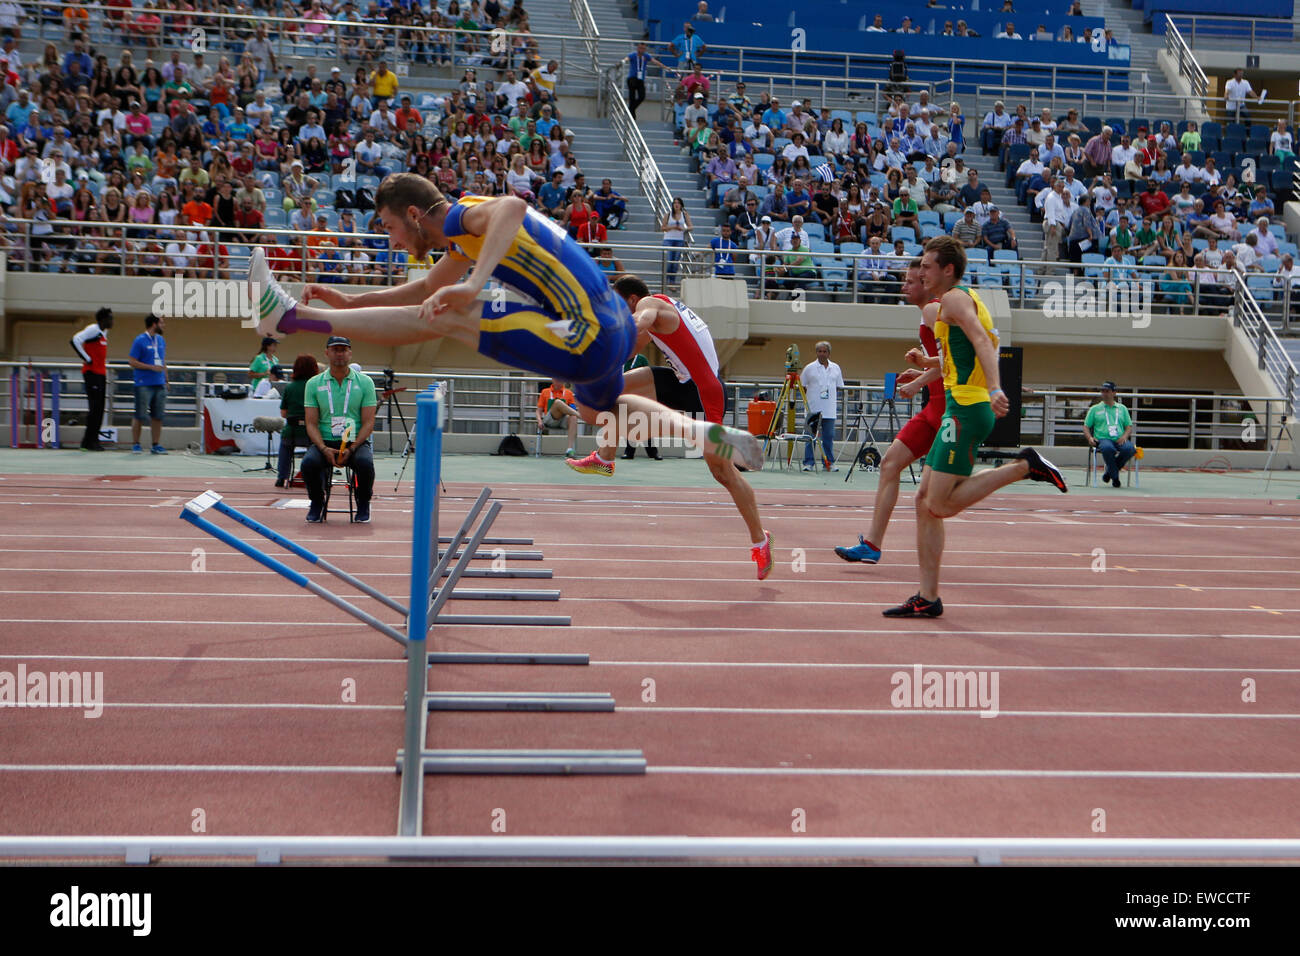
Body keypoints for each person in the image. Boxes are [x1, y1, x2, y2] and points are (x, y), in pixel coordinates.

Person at [250, 173, 763, 476]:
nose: (391, 240)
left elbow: (515, 205)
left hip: (583, 331)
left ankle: (291, 317)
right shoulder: (460, 236)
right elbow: (422, 291)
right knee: (603, 405)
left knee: (448, 316)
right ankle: (711, 436)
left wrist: (473, 287)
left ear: (412, 212)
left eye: (388, 227)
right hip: (612, 333)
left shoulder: (460, 217)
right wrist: (351, 299)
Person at [882, 236, 1067, 618]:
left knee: (938, 503)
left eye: (928, 267)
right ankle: (928, 597)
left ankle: (1022, 466)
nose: (921, 272)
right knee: (923, 503)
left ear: (947, 270)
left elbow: (983, 341)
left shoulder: (952, 299)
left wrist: (997, 386)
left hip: (966, 410)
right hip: (958, 404)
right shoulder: (956, 301)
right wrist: (928, 367)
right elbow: (962, 355)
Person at [566, 275, 774, 579]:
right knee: (613, 390)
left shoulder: (651, 306)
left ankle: (760, 539)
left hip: (704, 392)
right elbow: (633, 344)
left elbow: (641, 320)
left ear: (633, 300)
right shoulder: (658, 317)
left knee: (722, 472)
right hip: (680, 381)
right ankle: (605, 458)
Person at [836, 259, 944, 564]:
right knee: (889, 464)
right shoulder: (929, 313)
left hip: (951, 408)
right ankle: (872, 544)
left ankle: (1020, 467)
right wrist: (921, 372)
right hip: (934, 406)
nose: (904, 287)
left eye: (910, 282)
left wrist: (919, 378)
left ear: (925, 282)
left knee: (934, 496)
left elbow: (954, 362)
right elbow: (941, 361)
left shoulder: (933, 310)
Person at [301, 336, 376, 523]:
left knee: (365, 464)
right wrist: (324, 448)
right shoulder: (313, 383)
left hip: (354, 442)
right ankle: (317, 501)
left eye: (343, 349)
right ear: (327, 353)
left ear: (350, 353)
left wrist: (352, 448)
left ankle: (364, 502)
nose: (339, 353)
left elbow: (368, 421)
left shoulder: (365, 382)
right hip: (325, 441)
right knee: (308, 464)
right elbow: (310, 423)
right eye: (335, 349)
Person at [70, 306, 113, 452]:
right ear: (103, 319)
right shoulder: (93, 329)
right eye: (110, 318)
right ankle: (87, 442)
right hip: (92, 373)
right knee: (94, 408)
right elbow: (75, 340)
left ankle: (93, 440)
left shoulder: (104, 332)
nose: (112, 321)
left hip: (100, 373)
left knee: (100, 408)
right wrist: (87, 358)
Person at [127, 313, 168, 454]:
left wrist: (166, 380)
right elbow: (132, 361)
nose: (164, 325)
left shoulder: (161, 340)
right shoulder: (140, 340)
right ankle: (136, 444)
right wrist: (151, 367)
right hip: (144, 383)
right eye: (161, 323)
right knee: (140, 415)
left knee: (158, 416)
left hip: (159, 383)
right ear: (154, 324)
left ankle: (156, 444)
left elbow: (163, 361)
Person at [276, 353, 319, 488]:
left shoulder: (290, 387)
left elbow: (284, 413)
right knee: (321, 448)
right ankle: (319, 477)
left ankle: (282, 476)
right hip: (312, 434)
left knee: (285, 446)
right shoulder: (317, 386)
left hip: (292, 433)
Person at [800, 341, 843, 472]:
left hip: (829, 409)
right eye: (819, 351)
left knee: (828, 437)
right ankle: (808, 463)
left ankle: (828, 463)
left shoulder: (835, 367)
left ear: (829, 353)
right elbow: (802, 386)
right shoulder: (809, 368)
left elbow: (839, 386)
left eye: (824, 351)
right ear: (816, 352)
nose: (822, 354)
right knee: (810, 437)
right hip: (813, 409)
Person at [1083, 381, 1134, 488]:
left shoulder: (1122, 408)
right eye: (1103, 391)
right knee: (1107, 448)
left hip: (1119, 438)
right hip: (1102, 439)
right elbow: (1086, 426)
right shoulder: (1095, 409)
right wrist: (1090, 438)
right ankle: (1115, 478)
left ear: (1114, 393)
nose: (1104, 393)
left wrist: (1124, 437)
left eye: (1107, 391)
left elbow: (1129, 426)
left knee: (1129, 449)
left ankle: (1109, 472)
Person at [620, 351, 660, 460]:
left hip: (641, 395)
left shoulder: (641, 359)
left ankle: (652, 452)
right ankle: (629, 452)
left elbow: (648, 376)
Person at [536, 377, 580, 457]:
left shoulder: (568, 393)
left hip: (563, 420)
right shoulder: (545, 391)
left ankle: (569, 449)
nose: (559, 381)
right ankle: (581, 416)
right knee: (558, 402)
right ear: (553, 379)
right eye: (556, 379)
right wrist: (539, 421)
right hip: (549, 420)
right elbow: (538, 410)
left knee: (573, 417)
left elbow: (572, 409)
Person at [626, 41, 665, 120]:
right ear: (637, 48)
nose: (642, 50)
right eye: (640, 48)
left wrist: (664, 67)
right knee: (632, 97)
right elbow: (627, 58)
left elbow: (655, 61)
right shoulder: (633, 55)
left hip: (640, 79)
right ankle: (632, 116)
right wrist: (623, 61)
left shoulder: (646, 56)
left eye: (643, 48)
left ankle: (630, 109)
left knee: (642, 96)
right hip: (632, 78)